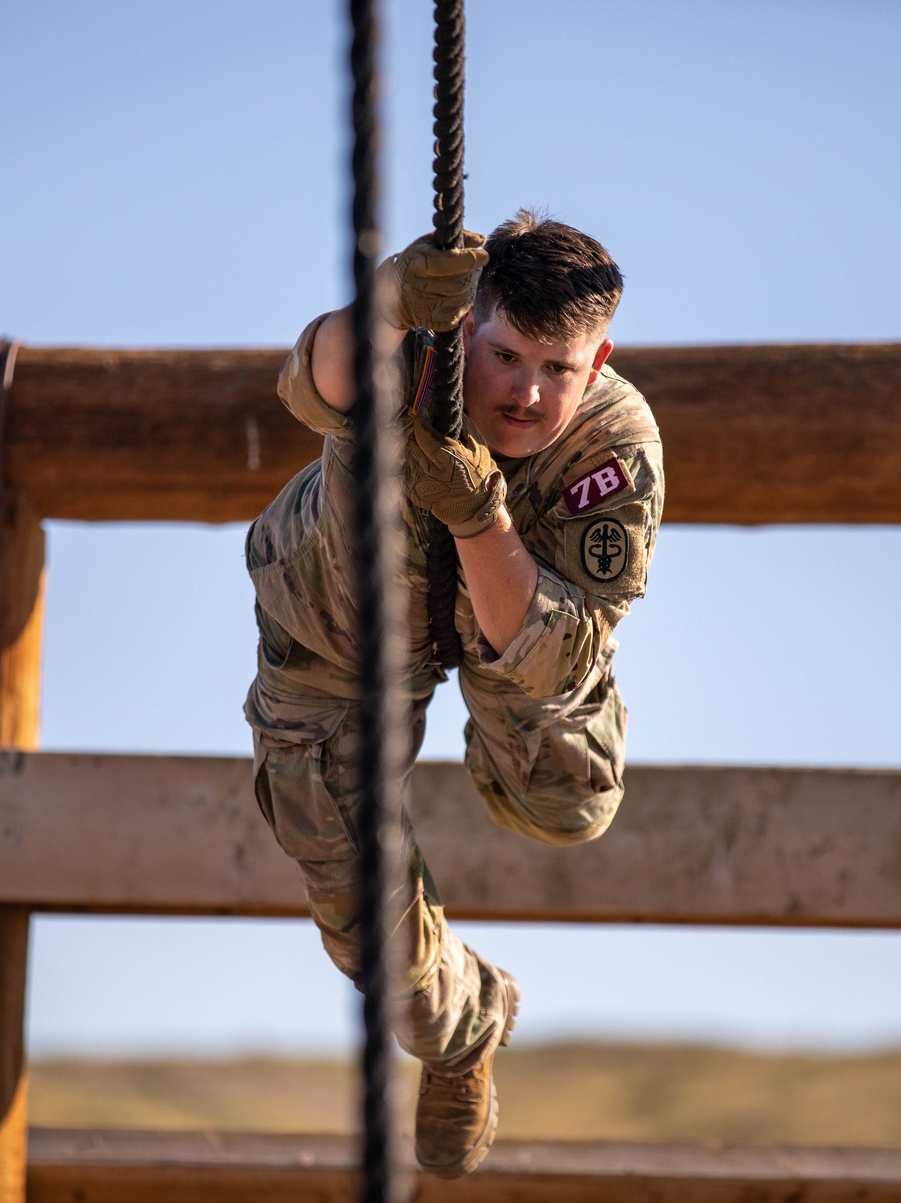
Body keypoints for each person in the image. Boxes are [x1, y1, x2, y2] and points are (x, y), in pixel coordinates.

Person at [243, 210, 664, 1178]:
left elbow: (554, 656)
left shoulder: (612, 450)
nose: (525, 392)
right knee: (357, 908)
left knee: (568, 796)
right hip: (339, 624)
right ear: (469, 325)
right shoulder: (414, 346)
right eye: (506, 355)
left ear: (598, 362)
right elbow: (311, 381)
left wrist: (478, 517)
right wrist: (391, 299)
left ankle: (505, 748)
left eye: (556, 369)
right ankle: (464, 1025)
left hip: (506, 629)